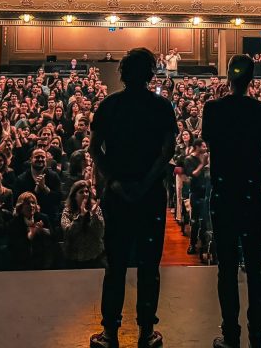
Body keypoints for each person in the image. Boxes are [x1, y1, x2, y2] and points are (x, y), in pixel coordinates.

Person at [88, 48, 177, 348]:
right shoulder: (161, 107)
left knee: (115, 265)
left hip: (117, 196)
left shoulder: (109, 105)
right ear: (151, 74)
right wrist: (146, 183)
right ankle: (146, 332)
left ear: (123, 74)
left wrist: (114, 182)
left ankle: (110, 333)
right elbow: (167, 152)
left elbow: (94, 149)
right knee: (149, 266)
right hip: (150, 196)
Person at [201, 54, 261, 348]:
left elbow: (209, 140)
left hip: (224, 190)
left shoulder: (213, 108)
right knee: (255, 265)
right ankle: (258, 335)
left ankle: (231, 334)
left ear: (229, 77)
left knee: (227, 267)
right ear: (251, 78)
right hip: (251, 190)